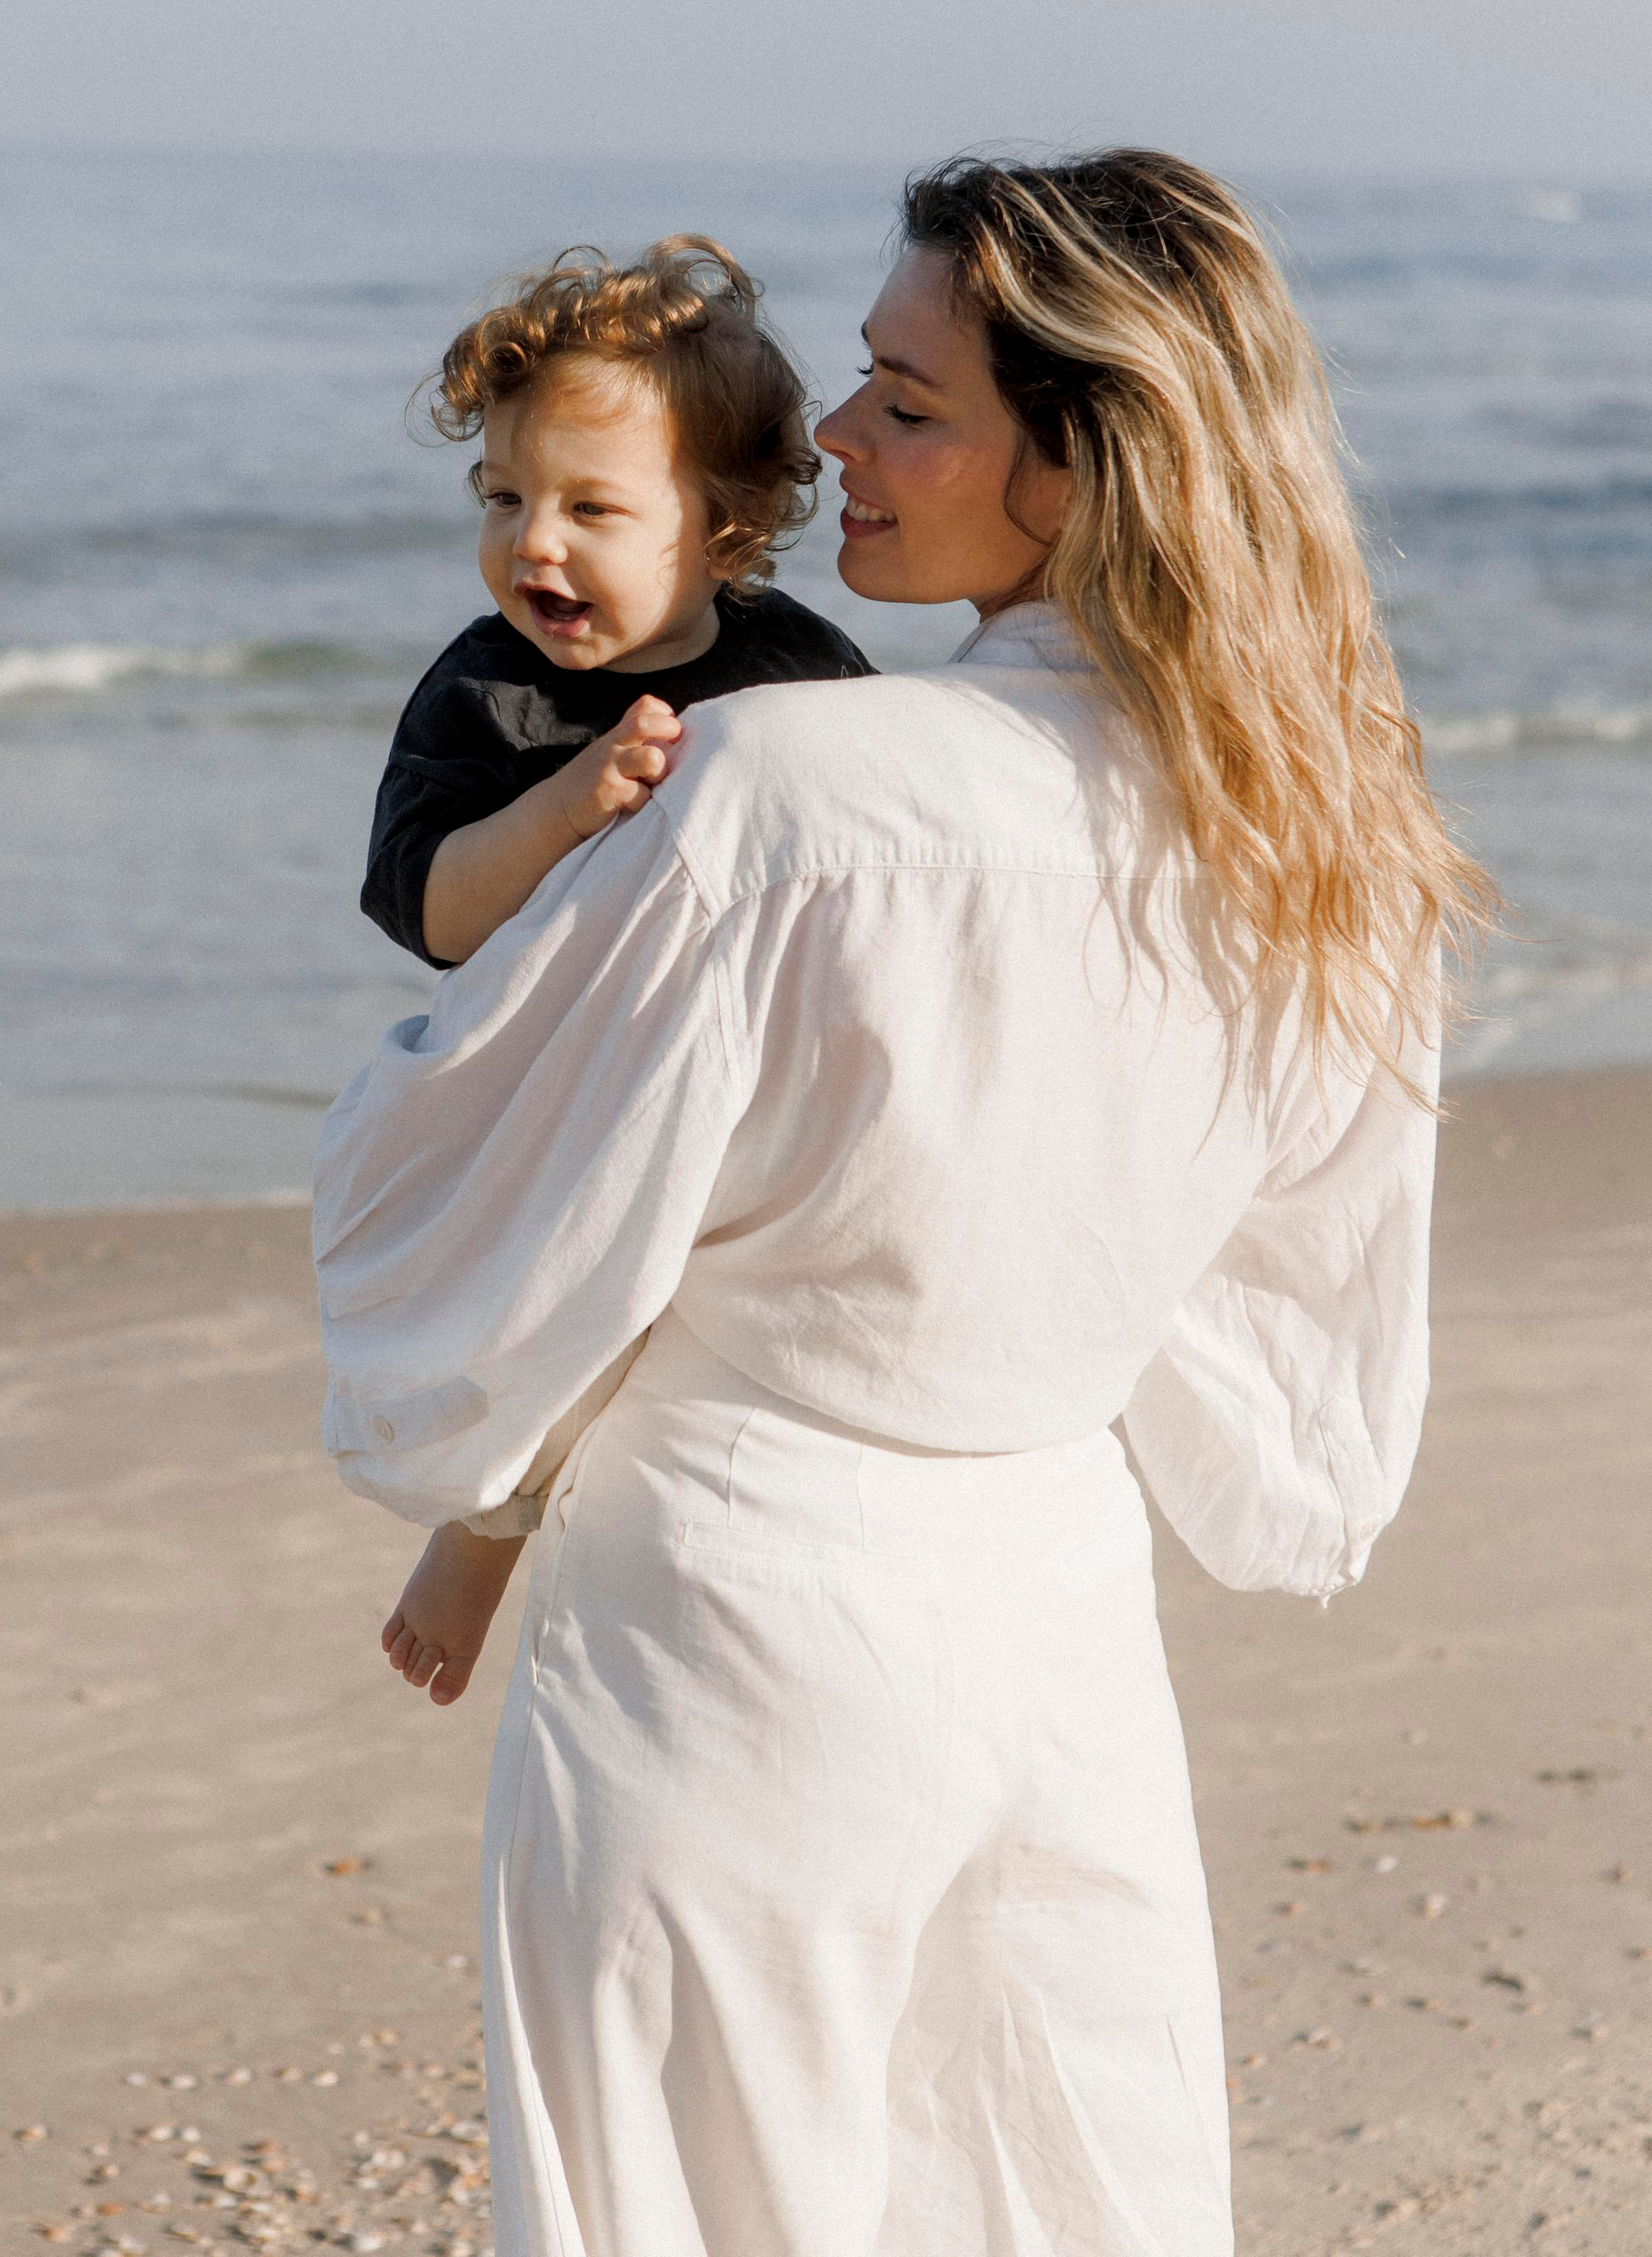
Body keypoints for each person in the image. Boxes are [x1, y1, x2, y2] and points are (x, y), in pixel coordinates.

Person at [314, 151, 1493, 2257]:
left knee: (684, 2207)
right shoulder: (1314, 820)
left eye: (905, 398)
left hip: (728, 1615)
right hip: (1054, 1605)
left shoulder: (785, 798)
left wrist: (467, 1476)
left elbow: (466, 1191)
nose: (835, 434)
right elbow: (1290, 1300)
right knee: (1058, 2193)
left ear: (1079, 466)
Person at [359, 233, 871, 1704]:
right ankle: (482, 1530)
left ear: (723, 531)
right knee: (562, 1312)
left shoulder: (801, 676)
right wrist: (569, 807)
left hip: (738, 1072)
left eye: (592, 507)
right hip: (549, 1081)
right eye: (504, 499)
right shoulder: (485, 689)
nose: (536, 544)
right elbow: (433, 906)